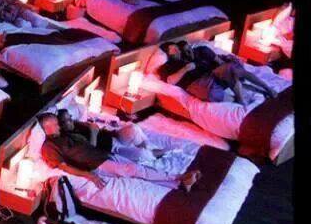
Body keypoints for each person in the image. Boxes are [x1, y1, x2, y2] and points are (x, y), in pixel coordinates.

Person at [37, 112, 200, 191]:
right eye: (55, 124)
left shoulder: (65, 135)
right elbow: (64, 167)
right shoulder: (49, 146)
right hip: (96, 164)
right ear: (47, 127)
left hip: (106, 155)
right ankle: (179, 178)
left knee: (140, 169)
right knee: (135, 170)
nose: (59, 125)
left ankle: (179, 184)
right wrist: (88, 175)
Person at [158, 41, 275, 105]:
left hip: (210, 74)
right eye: (172, 49)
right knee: (213, 93)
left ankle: (265, 89)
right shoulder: (168, 66)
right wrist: (185, 69)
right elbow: (170, 81)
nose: (176, 49)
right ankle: (240, 98)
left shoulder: (190, 54)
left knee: (231, 68)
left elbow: (216, 61)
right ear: (167, 54)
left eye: (176, 47)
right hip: (197, 82)